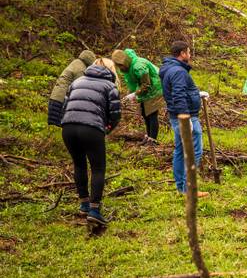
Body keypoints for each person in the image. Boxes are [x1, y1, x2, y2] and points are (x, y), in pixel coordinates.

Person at [60, 60, 121, 226]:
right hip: (91, 128)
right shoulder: (110, 86)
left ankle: (84, 204)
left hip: (68, 127)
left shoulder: (76, 82)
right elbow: (115, 115)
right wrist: (106, 129)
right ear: (111, 71)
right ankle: (94, 210)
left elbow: (65, 106)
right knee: (98, 168)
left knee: (79, 164)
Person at [158, 41, 209, 198]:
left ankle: (182, 187)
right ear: (182, 54)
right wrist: (186, 119)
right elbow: (178, 95)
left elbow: (179, 91)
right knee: (194, 151)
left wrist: (197, 94)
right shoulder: (179, 72)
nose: (190, 55)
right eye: (188, 52)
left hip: (176, 116)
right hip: (186, 117)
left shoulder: (170, 69)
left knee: (180, 151)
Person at [111, 48, 164, 141]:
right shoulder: (129, 66)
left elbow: (146, 85)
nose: (120, 68)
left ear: (124, 61)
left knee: (151, 113)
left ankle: (153, 140)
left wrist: (134, 94)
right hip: (145, 89)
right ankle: (148, 137)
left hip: (155, 87)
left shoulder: (139, 66)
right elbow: (134, 82)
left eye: (121, 65)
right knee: (145, 113)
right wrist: (131, 93)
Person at [48, 49, 97, 127]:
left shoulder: (75, 63)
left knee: (52, 124)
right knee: (58, 124)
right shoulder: (81, 69)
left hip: (55, 96)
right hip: (62, 99)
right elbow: (80, 87)